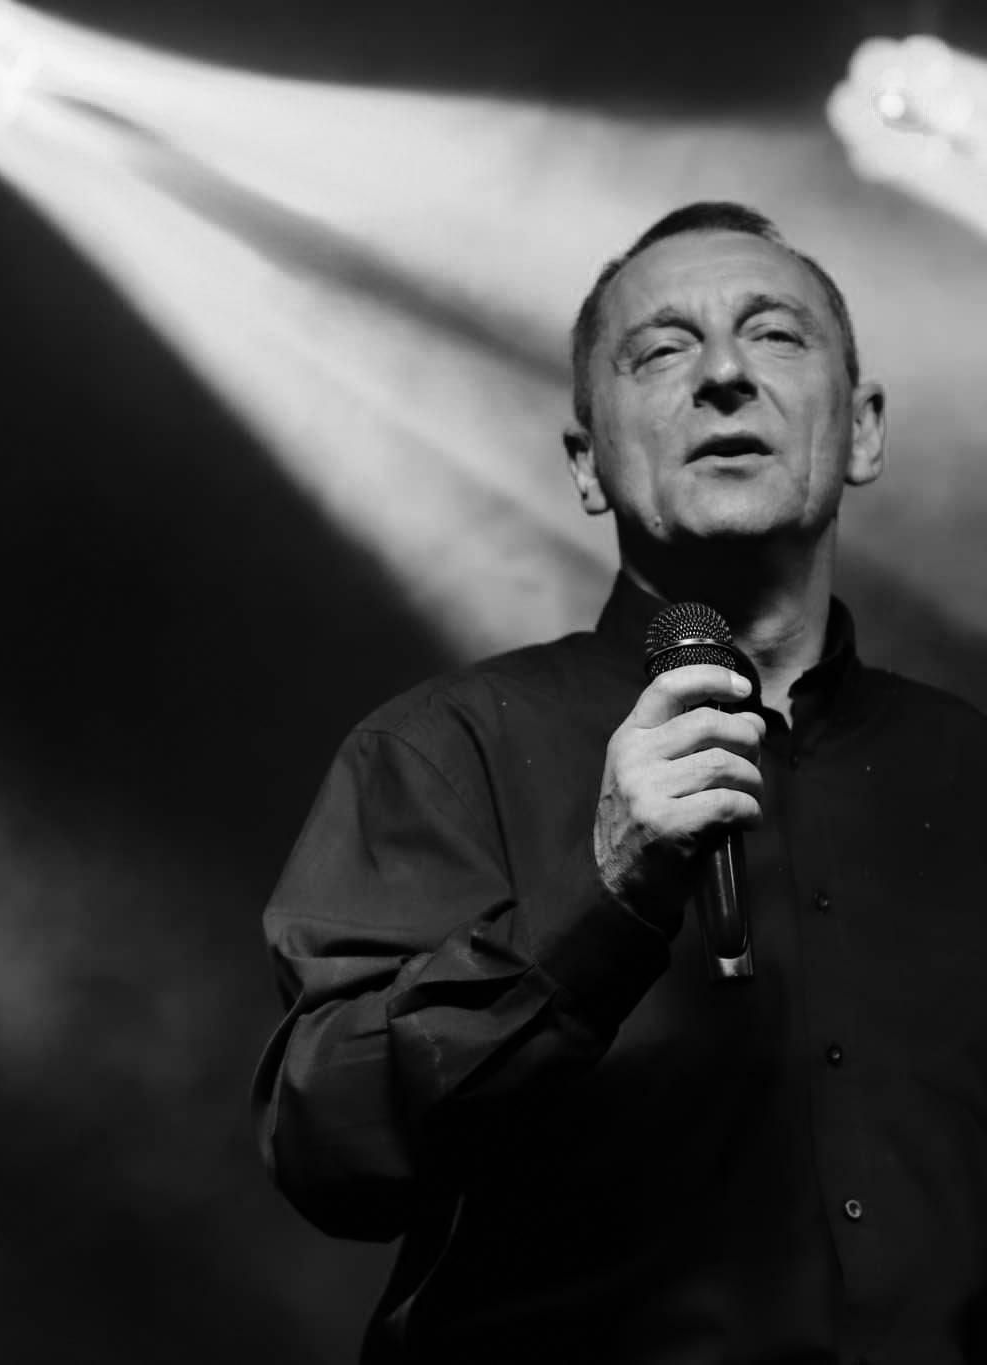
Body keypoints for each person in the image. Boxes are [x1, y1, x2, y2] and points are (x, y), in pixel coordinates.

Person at [251, 202, 987, 1363]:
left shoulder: (965, 770)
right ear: (585, 464)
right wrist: (600, 895)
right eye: (659, 351)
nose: (724, 374)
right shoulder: (442, 751)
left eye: (774, 334)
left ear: (861, 431)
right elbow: (326, 1150)